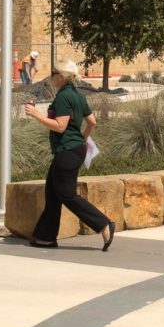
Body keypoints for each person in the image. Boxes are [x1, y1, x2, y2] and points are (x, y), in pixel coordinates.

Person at [23, 59, 114, 250]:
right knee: (53, 193)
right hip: (73, 149)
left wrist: (36, 115)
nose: (51, 77)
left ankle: (103, 224)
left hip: (67, 151)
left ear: (61, 76)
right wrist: (82, 139)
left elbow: (60, 126)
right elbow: (92, 122)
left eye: (54, 73)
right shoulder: (77, 95)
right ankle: (45, 237)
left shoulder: (64, 96)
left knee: (67, 195)